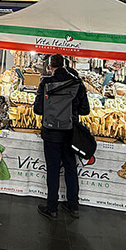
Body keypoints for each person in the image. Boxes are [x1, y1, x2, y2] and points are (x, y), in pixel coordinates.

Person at [33, 54, 90, 220]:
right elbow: (85, 110)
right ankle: (73, 206)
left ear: (50, 67)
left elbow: (38, 110)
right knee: (71, 168)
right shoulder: (77, 83)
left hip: (51, 134)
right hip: (70, 133)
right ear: (65, 65)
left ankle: (52, 208)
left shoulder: (45, 83)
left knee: (53, 170)